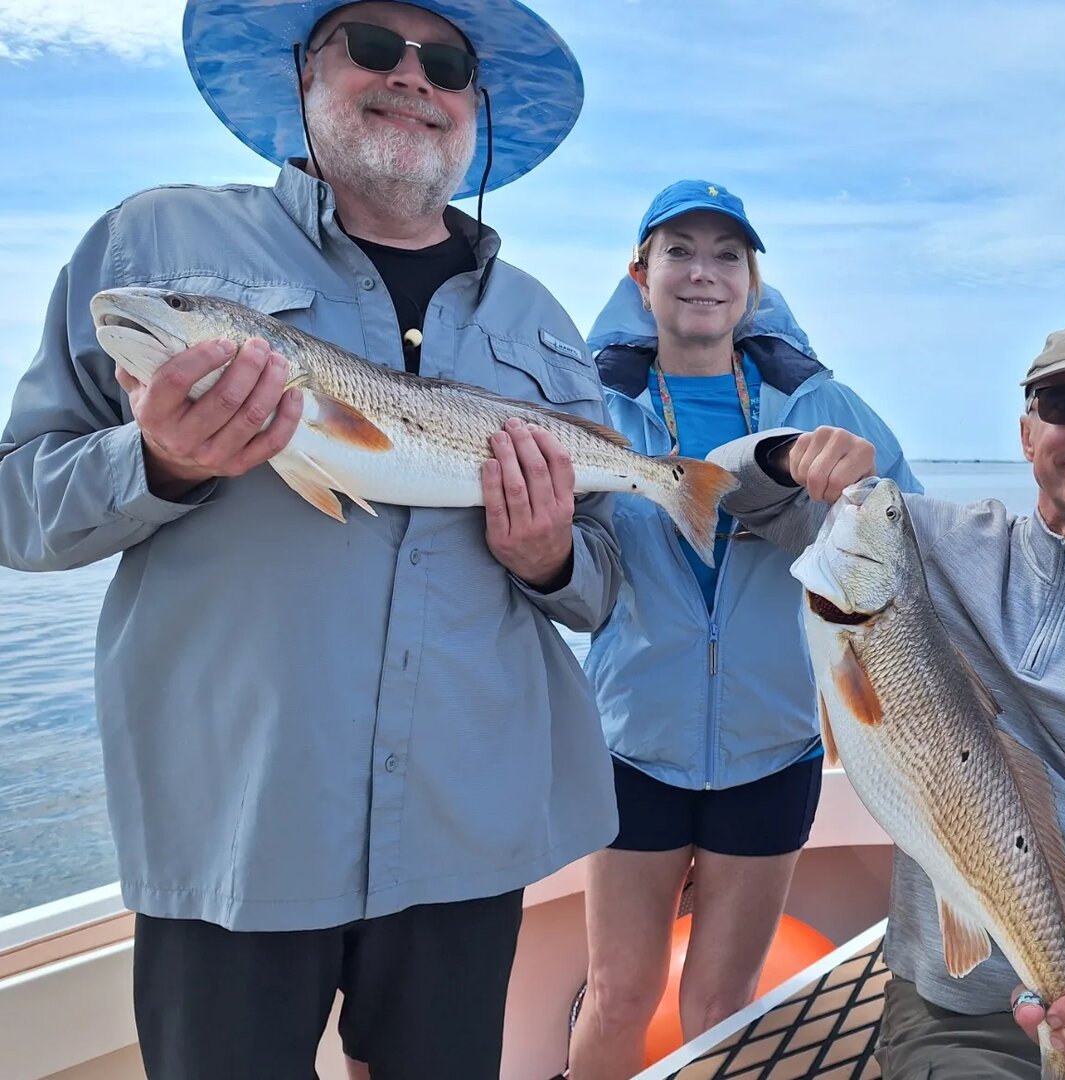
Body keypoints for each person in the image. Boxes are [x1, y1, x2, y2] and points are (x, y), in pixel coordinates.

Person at [0, 2, 621, 1077]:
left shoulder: (543, 320)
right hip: (236, 823)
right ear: (301, 74)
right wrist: (158, 463)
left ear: (475, 105)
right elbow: (17, 504)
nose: (412, 78)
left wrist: (550, 557)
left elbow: (605, 582)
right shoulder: (157, 244)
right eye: (373, 48)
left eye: (448, 64)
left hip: (469, 828)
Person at [711, 316, 1065, 1079]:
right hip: (952, 1012)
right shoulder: (918, 541)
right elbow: (724, 488)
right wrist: (787, 454)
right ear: (1026, 432)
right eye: (1064, 402)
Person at [567, 179, 922, 1078]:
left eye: (727, 256)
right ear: (639, 274)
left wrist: (854, 488)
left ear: (752, 284)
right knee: (617, 993)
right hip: (631, 741)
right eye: (679, 252)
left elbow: (912, 531)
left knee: (723, 1005)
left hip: (773, 744)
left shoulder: (818, 404)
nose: (704, 273)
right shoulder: (590, 401)